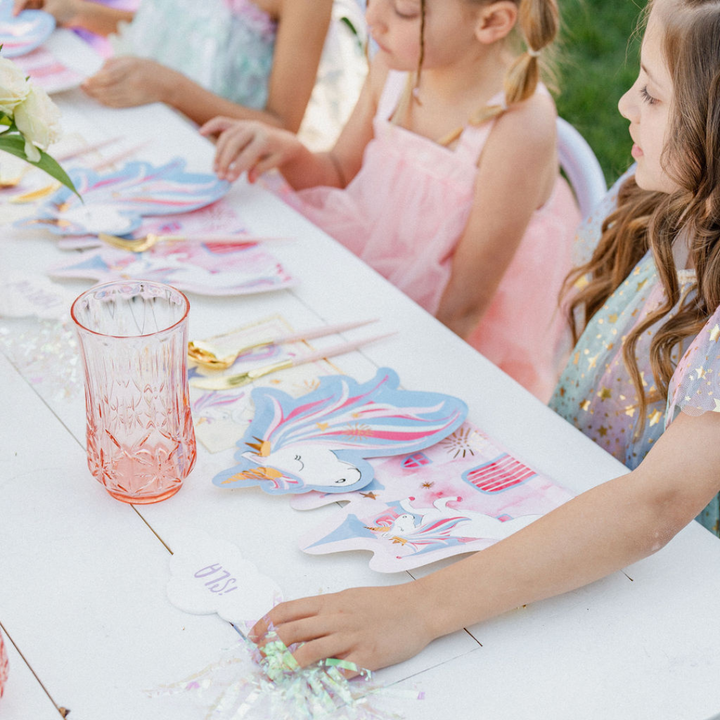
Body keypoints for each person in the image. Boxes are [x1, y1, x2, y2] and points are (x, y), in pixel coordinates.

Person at [246, 0, 720, 674]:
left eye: (651, 91)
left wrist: (418, 610)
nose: (622, 104)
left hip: (662, 606)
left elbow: (655, 506)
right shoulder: (655, 206)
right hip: (556, 522)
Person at [202, 0, 582, 402]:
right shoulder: (395, 71)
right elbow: (340, 174)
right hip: (377, 275)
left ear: (491, 22)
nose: (372, 19)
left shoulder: (518, 127)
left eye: (402, 9)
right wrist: (291, 152)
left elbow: (463, 308)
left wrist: (384, 391)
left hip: (451, 334)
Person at [13, 0, 343, 141]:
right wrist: (78, 12)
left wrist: (172, 90)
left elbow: (282, 128)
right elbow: (173, 28)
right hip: (138, 129)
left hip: (219, 166)